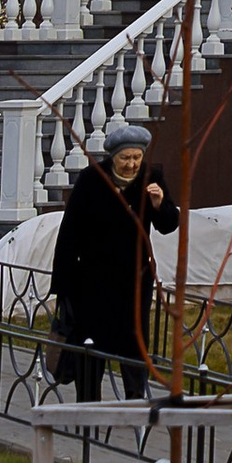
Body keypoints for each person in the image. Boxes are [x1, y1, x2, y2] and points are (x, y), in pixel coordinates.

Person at [46, 130, 177, 403]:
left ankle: (135, 402)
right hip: (93, 282)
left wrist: (159, 204)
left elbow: (169, 223)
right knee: (91, 347)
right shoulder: (91, 179)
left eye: (137, 157)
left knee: (134, 345)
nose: (131, 164)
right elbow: (69, 233)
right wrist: (63, 286)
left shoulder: (150, 179)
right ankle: (88, 404)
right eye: (125, 158)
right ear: (113, 157)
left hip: (134, 282)